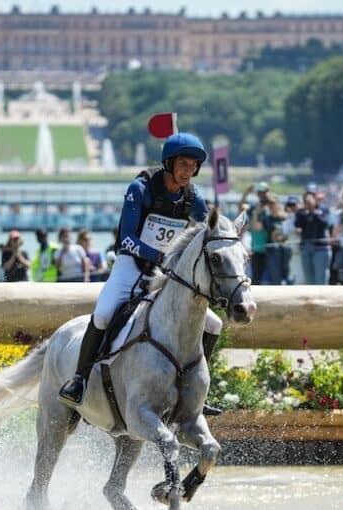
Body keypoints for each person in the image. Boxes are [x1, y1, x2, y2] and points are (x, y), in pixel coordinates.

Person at [58, 132, 221, 414]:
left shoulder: (193, 197)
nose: (189, 171)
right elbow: (127, 239)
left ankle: (195, 390)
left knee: (214, 324)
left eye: (193, 166)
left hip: (166, 274)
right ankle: (79, 379)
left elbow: (208, 231)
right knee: (104, 314)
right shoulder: (141, 189)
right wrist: (162, 256)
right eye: (183, 164)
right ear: (169, 163)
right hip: (131, 264)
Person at [294, 190, 332, 285]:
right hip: (306, 247)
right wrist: (306, 212)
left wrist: (313, 211)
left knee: (320, 279)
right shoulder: (301, 212)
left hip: (321, 248)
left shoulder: (323, 209)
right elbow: (298, 224)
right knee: (309, 279)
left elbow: (324, 223)